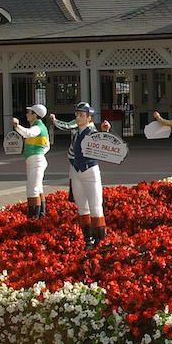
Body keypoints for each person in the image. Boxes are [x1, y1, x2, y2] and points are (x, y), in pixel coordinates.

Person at [51, 103, 111, 251]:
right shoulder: (76, 132)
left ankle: (99, 241)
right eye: (77, 115)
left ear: (89, 118)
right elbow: (71, 149)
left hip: (89, 170)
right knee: (82, 207)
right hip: (76, 171)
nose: (78, 118)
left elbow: (103, 139)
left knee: (95, 206)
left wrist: (106, 130)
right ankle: (88, 240)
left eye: (81, 115)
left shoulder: (91, 131)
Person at [10, 103, 49, 220]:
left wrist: (17, 126)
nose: (27, 114)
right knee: (38, 187)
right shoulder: (42, 127)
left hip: (35, 161)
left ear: (35, 115)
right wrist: (40, 153)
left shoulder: (37, 127)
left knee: (33, 188)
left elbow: (29, 133)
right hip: (36, 159)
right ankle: (41, 214)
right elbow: (47, 146)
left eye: (29, 112)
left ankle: (33, 216)